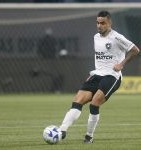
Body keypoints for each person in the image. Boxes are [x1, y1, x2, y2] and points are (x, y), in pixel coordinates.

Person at [59, 11, 140, 144]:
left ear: (109, 23)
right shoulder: (96, 37)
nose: (99, 25)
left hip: (112, 76)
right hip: (97, 75)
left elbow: (135, 50)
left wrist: (121, 64)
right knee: (77, 101)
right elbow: (100, 58)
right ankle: (62, 130)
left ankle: (89, 137)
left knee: (94, 103)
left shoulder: (117, 37)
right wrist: (92, 74)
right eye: (97, 22)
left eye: (102, 23)